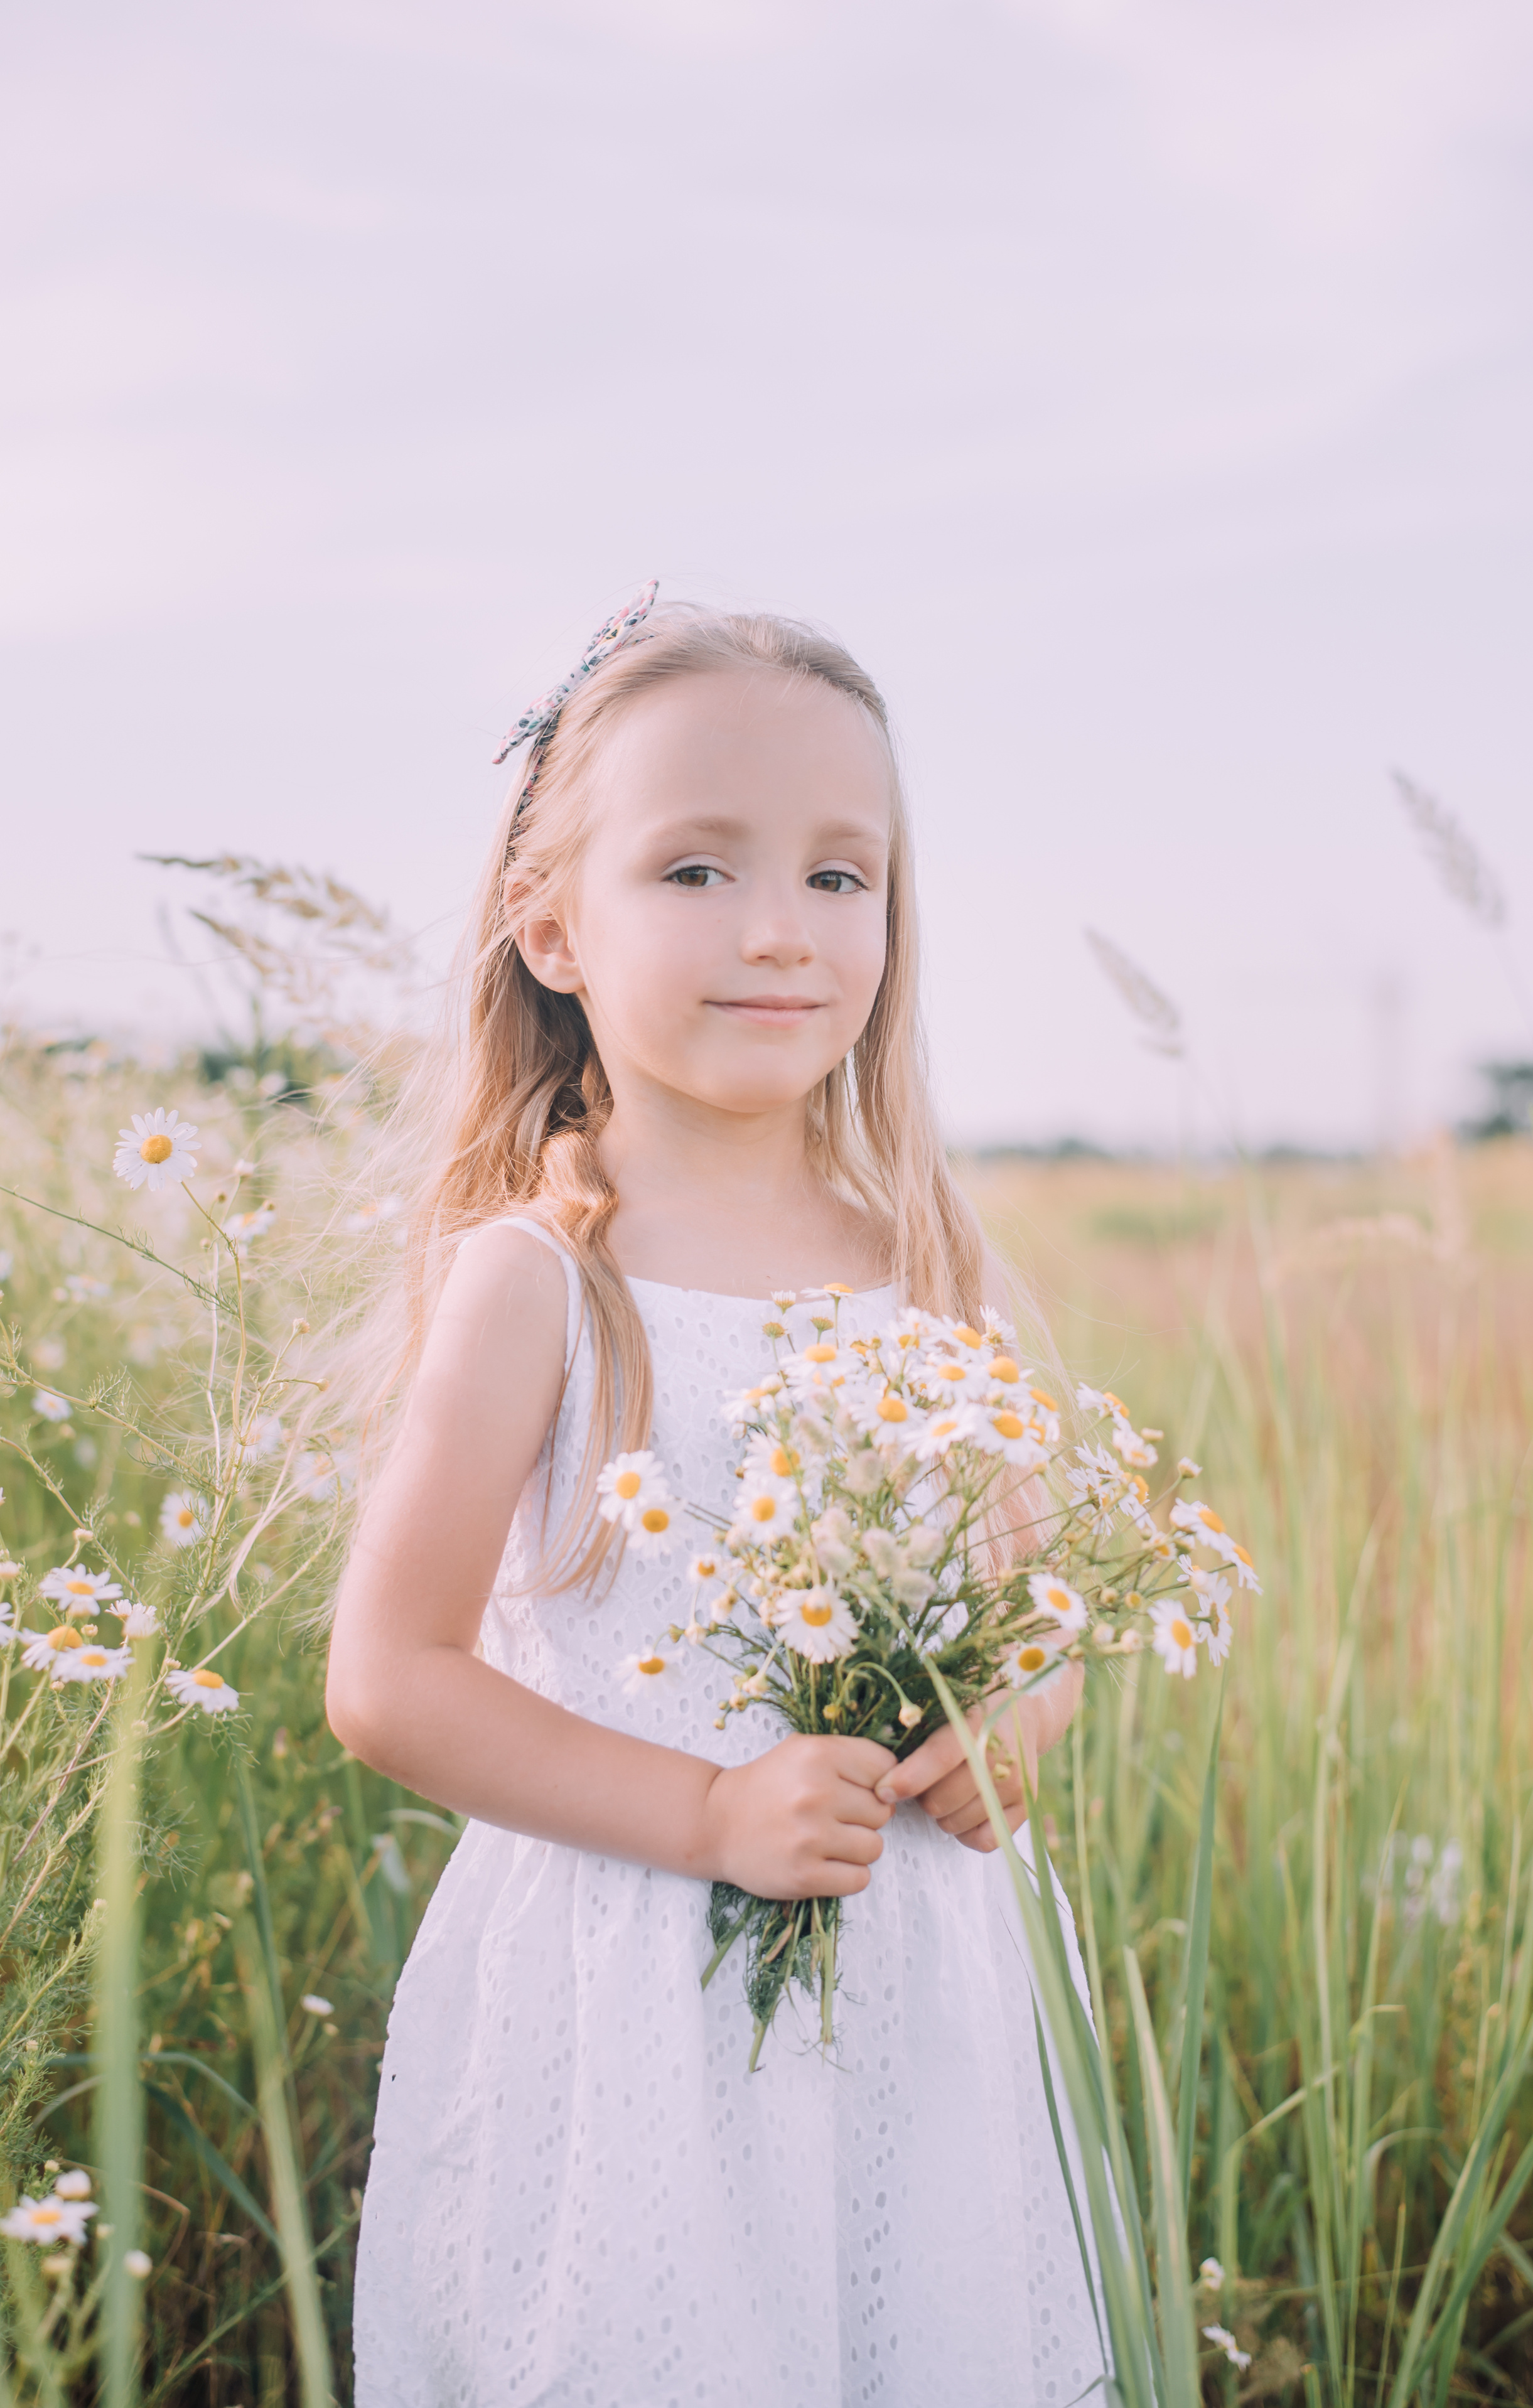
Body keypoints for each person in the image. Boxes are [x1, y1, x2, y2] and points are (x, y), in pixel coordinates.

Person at [326, 588, 1105, 2405]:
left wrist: (1012, 1718)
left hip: (918, 1980)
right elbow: (389, 1678)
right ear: (551, 925)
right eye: (695, 869)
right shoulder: (544, 1280)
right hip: (635, 1993)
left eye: (840, 875)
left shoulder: (930, 1270)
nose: (779, 929)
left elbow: (1040, 1607)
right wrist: (708, 1812)